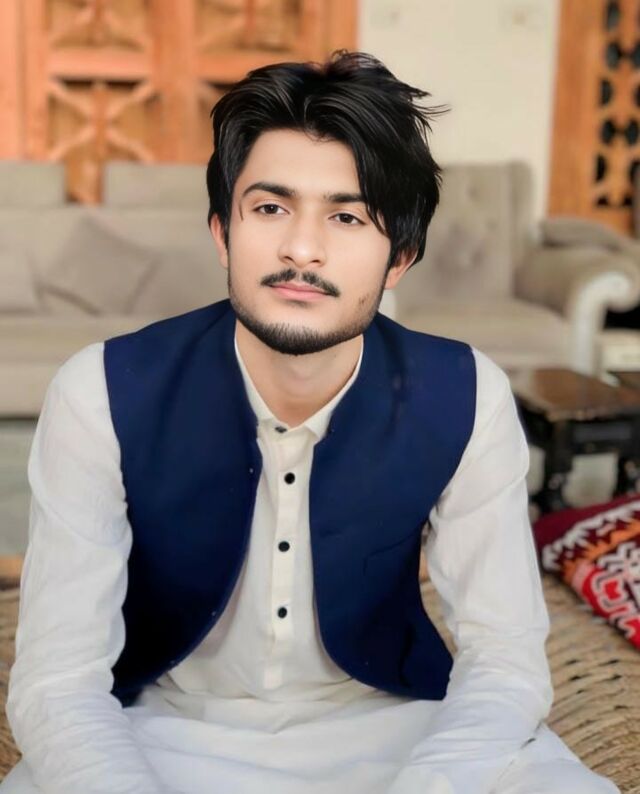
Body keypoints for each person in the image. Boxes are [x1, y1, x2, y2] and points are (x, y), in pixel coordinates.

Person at [1, 50, 619, 794]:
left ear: (399, 258)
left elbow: (506, 661)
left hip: (396, 727)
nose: (301, 247)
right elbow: (57, 682)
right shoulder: (99, 391)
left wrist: (430, 786)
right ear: (222, 232)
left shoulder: (466, 394)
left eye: (347, 217)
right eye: (270, 208)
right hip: (160, 731)